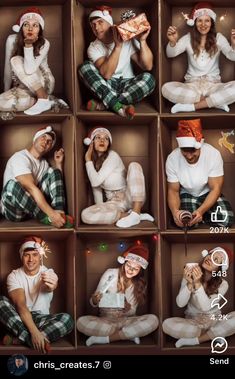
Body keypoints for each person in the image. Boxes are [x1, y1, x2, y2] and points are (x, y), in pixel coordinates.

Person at [79, 5, 155, 119]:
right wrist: (117, 47)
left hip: (127, 84)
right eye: (93, 25)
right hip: (107, 84)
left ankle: (105, 105)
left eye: (100, 22)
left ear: (110, 23)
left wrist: (143, 41)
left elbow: (147, 66)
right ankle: (119, 106)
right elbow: (107, 74)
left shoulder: (126, 38)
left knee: (149, 79)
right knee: (84, 67)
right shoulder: (93, 47)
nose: (96, 27)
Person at [0, 236, 74, 353]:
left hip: (41, 319)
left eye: (34, 255)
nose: (31, 259)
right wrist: (34, 332)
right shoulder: (14, 276)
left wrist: (52, 285)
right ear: (21, 257)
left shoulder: (48, 273)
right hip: (20, 317)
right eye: (26, 255)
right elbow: (20, 305)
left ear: (40, 257)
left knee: (67, 319)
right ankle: (36, 339)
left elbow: (51, 284)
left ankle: (21, 339)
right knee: (1, 301)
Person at [77, 243, 159, 346]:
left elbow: (132, 311)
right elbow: (94, 302)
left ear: (140, 270)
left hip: (127, 321)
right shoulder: (111, 273)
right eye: (129, 265)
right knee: (81, 322)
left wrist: (128, 307)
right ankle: (128, 334)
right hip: (106, 320)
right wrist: (95, 300)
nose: (130, 270)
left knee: (153, 320)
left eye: (135, 268)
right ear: (124, 263)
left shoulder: (140, 284)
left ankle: (106, 339)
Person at [162, 2, 235, 114]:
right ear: (195, 22)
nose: (203, 24)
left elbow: (232, 56)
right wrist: (172, 42)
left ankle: (190, 107)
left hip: (214, 86)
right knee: (165, 88)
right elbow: (170, 54)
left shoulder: (219, 38)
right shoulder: (188, 38)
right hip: (192, 86)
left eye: (207, 20)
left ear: (211, 23)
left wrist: (234, 45)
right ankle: (215, 102)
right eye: (200, 20)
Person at [1, 125, 74, 228]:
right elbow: (30, 188)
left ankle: (60, 214)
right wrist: (51, 214)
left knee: (54, 171)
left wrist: (58, 164)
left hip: (30, 211)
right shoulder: (20, 157)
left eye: (49, 142)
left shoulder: (44, 164)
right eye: (43, 137)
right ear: (35, 139)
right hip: (14, 211)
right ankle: (47, 218)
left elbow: (55, 184)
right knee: (11, 186)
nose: (46, 142)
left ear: (49, 148)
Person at [165, 118, 234, 227]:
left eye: (193, 151)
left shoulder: (213, 154)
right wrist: (175, 212)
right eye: (184, 151)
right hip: (186, 193)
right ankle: (199, 219)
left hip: (207, 193)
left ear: (200, 146)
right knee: (187, 224)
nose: (189, 156)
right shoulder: (172, 158)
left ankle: (202, 216)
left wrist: (201, 211)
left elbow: (215, 188)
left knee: (226, 221)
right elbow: (173, 191)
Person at [81, 127, 154, 228]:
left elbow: (95, 181)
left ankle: (136, 212)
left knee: (134, 165)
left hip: (131, 197)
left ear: (108, 144)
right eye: (98, 137)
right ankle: (130, 216)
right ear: (91, 143)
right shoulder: (92, 166)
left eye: (106, 138)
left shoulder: (113, 156)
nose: (102, 140)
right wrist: (101, 208)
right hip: (114, 203)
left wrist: (87, 159)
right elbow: (96, 189)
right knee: (85, 215)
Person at [163, 246, 235, 348]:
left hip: (214, 321)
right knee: (166, 324)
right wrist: (189, 284)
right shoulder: (190, 273)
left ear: (219, 268)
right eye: (211, 255)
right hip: (193, 322)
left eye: (216, 259)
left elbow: (206, 307)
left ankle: (195, 340)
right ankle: (214, 335)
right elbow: (180, 303)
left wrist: (197, 284)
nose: (210, 258)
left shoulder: (223, 284)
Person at [0, 7, 55, 116]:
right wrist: (6, 91)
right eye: (26, 25)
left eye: (35, 25)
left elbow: (30, 70)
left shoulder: (45, 43)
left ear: (40, 29)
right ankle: (36, 102)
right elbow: (7, 69)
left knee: (16, 60)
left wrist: (28, 46)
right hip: (23, 85)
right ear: (21, 28)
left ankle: (43, 97)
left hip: (43, 82)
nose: (30, 29)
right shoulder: (12, 40)